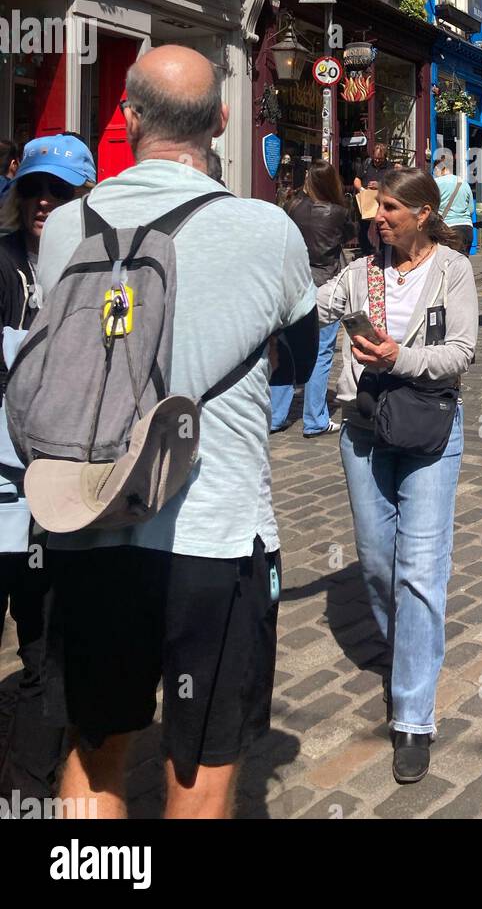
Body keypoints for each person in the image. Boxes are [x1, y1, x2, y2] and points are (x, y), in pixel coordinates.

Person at [35, 46, 318, 819]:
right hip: (212, 535)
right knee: (202, 766)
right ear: (222, 121)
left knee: (93, 751)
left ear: (127, 120)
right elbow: (297, 360)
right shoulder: (266, 229)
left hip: (87, 522)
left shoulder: (65, 226)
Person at [317, 168, 477, 785]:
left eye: (388, 208)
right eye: (374, 207)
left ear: (424, 213)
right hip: (363, 427)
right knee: (377, 559)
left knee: (420, 567)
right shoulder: (362, 273)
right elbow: (312, 306)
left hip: (429, 429)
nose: (377, 217)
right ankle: (407, 645)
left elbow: (462, 350)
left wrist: (399, 357)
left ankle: (412, 713)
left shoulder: (453, 270)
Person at [0, 135, 95, 801]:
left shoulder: (98, 273)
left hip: (56, 498)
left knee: (45, 654)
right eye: (35, 188)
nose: (43, 202)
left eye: (59, 192)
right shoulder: (1, 261)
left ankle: (27, 791)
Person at [271, 159, 353, 437]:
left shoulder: (293, 207)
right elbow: (351, 237)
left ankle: (275, 415)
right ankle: (315, 418)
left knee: (286, 351)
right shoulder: (339, 213)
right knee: (321, 352)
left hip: (292, 283)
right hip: (324, 286)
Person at [353, 142, 391, 255]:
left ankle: (383, 252)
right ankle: (366, 251)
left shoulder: (390, 167)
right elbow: (357, 179)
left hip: (382, 202)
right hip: (366, 200)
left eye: (380, 158)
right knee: (362, 229)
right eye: (375, 158)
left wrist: (380, 185)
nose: (377, 161)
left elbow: (394, 184)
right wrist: (361, 189)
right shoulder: (367, 164)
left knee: (381, 228)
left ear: (385, 157)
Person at [433, 157, 475, 256]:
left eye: (434, 170)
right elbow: (471, 210)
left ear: (439, 169)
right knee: (462, 263)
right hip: (467, 229)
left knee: (447, 265)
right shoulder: (463, 183)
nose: (434, 173)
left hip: (448, 229)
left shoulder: (437, 183)